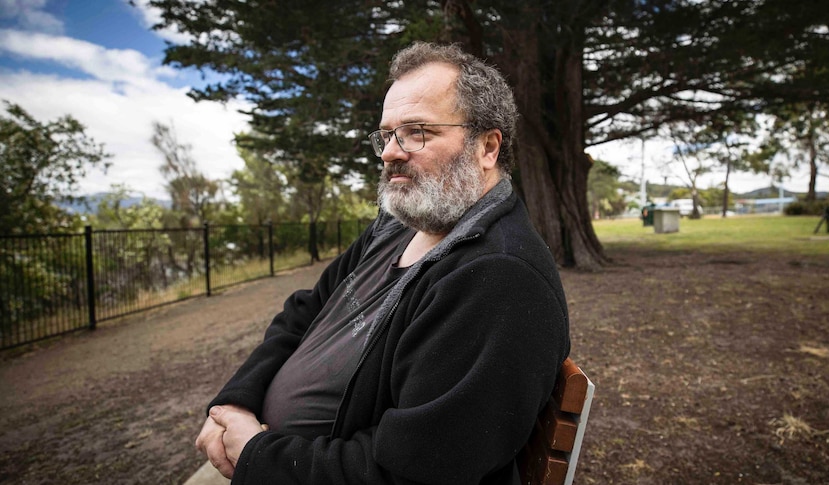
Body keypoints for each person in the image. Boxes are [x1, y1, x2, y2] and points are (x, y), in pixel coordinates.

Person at [195, 41, 571, 484]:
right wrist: (236, 402)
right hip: (266, 447)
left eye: (418, 132)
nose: (391, 151)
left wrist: (260, 455)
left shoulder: (498, 278)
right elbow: (303, 314)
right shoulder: (398, 226)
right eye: (387, 134)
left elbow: (417, 471)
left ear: (487, 147)